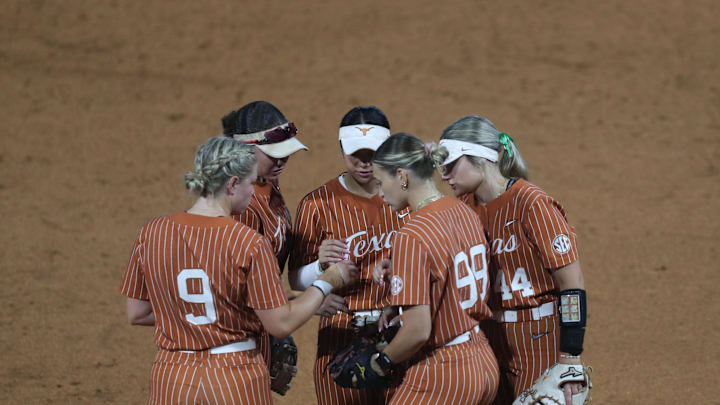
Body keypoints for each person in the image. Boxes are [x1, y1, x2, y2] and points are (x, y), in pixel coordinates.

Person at [120, 136, 357, 404]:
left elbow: (138, 313)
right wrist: (327, 281)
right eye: (251, 183)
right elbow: (280, 324)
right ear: (232, 184)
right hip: (234, 377)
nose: (254, 192)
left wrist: (194, 322)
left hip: (172, 379)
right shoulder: (249, 243)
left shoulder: (152, 234)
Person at [437, 115, 589, 405]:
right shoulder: (461, 209)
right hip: (484, 341)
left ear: (480, 158)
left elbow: (572, 285)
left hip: (537, 340)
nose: (444, 175)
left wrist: (571, 357)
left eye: (451, 165)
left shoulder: (532, 204)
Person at [288, 106, 409, 405]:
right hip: (341, 332)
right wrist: (319, 270)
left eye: (373, 154)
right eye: (356, 153)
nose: (364, 163)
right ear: (342, 148)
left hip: (398, 329)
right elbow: (295, 278)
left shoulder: (407, 195)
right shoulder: (317, 204)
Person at [368, 133, 499, 405]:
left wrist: (381, 361)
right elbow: (448, 270)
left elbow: (417, 331)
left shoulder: (411, 235)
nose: (380, 194)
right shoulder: (463, 211)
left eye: (381, 183)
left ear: (402, 176)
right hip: (483, 361)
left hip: (443, 374)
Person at [221, 101, 308, 394]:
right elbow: (237, 287)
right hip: (234, 346)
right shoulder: (243, 208)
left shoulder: (268, 186)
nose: (282, 161)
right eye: (274, 155)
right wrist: (307, 298)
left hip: (256, 329)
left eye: (287, 153)